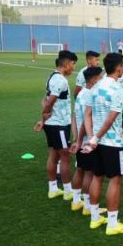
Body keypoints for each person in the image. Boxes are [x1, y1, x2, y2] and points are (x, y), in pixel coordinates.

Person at [83, 52, 123, 235]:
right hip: (111, 142)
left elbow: (87, 114)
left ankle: (95, 218)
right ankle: (112, 224)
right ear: (119, 67)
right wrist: (96, 138)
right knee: (115, 180)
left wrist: (91, 137)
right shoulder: (118, 90)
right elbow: (112, 119)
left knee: (97, 176)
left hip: (96, 142)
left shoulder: (95, 87)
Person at [33, 50, 78, 199]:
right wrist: (43, 118)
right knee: (65, 157)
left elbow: (44, 100)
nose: (73, 67)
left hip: (52, 124)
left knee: (53, 154)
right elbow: (49, 102)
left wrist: (43, 121)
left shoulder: (51, 76)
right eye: (72, 64)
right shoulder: (61, 80)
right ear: (65, 64)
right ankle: (67, 191)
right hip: (59, 125)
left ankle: (52, 188)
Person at [71, 66, 105, 214]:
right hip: (86, 141)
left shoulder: (81, 94)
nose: (103, 79)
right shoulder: (90, 94)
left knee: (80, 169)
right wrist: (82, 140)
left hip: (80, 138)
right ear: (94, 79)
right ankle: (87, 206)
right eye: (101, 76)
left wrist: (75, 136)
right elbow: (86, 120)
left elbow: (74, 117)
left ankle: (76, 201)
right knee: (89, 173)